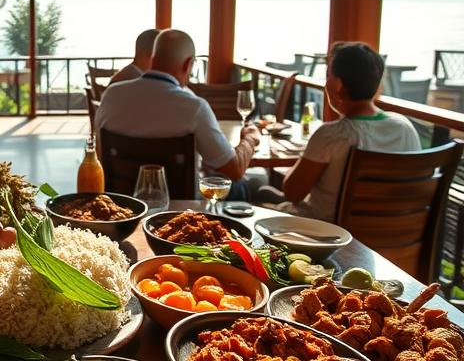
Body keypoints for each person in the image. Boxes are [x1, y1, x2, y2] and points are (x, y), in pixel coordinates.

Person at [255, 42, 420, 221]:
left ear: (338, 84)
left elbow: (293, 192)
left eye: (328, 76)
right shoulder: (405, 128)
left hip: (332, 237)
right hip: (394, 236)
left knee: (256, 201)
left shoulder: (332, 135)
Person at [95, 29, 260, 181]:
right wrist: (250, 138)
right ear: (188, 64)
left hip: (126, 206)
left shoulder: (111, 95)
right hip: (182, 209)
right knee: (246, 185)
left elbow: (99, 155)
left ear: (152, 60)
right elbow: (234, 170)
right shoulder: (194, 107)